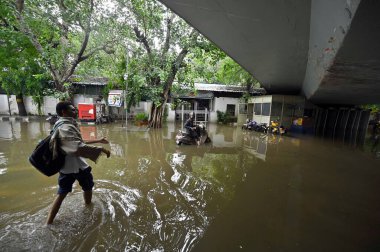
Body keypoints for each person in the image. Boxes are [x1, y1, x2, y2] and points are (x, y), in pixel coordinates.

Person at [46, 101, 111, 225]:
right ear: (64, 112)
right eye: (73, 109)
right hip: (76, 166)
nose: (76, 111)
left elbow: (76, 141)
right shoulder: (66, 127)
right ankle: (88, 207)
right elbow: (77, 147)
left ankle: (49, 222)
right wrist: (101, 150)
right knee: (86, 187)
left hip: (66, 167)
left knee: (63, 193)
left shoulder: (64, 124)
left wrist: (98, 140)